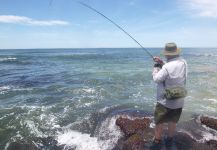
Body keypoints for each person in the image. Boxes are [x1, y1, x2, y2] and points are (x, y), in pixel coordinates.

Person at [150, 42, 187, 150]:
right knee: (173, 121)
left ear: (168, 54)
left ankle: (157, 141)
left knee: (159, 121)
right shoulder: (184, 63)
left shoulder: (166, 67)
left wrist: (157, 66)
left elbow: (157, 79)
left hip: (165, 102)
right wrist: (162, 62)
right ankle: (170, 139)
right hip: (179, 99)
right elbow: (173, 68)